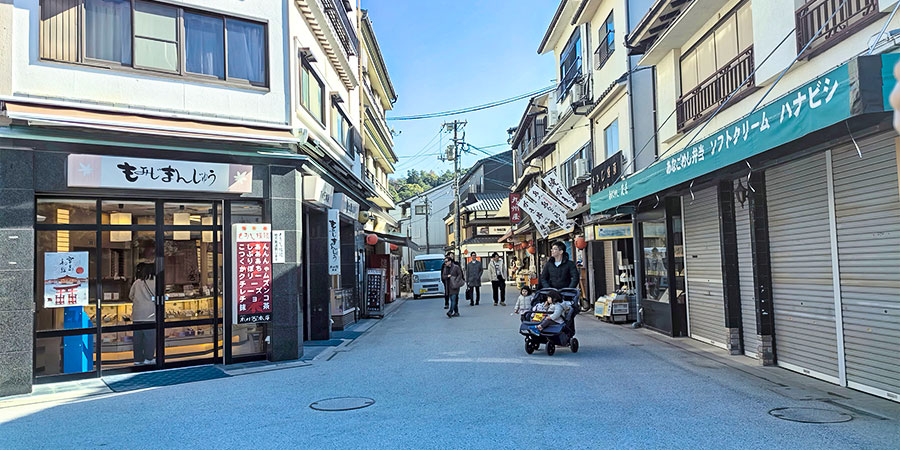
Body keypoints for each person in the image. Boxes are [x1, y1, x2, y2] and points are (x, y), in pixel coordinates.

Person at [129, 262, 156, 365]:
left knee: (138, 339)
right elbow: (160, 296)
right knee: (150, 339)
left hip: (137, 315)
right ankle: (148, 358)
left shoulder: (137, 282)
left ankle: (138, 359)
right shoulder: (157, 282)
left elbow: (131, 296)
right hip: (151, 315)